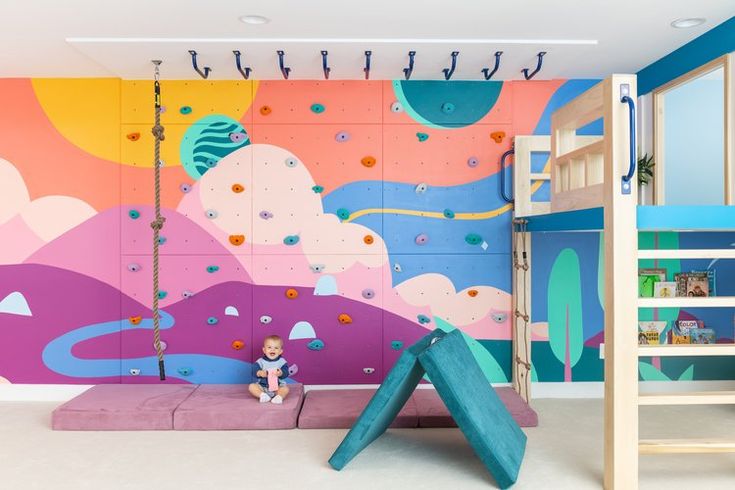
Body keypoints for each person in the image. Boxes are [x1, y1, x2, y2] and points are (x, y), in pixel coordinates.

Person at [248, 335, 290, 404]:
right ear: (264, 350)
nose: (272, 350)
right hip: (263, 387)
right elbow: (253, 371)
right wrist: (259, 372)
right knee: (251, 387)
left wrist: (281, 373)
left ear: (280, 351)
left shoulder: (282, 361)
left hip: (277, 387)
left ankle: (279, 397)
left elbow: (286, 372)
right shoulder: (260, 361)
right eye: (269, 347)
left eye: (276, 348)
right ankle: (263, 395)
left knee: (285, 389)